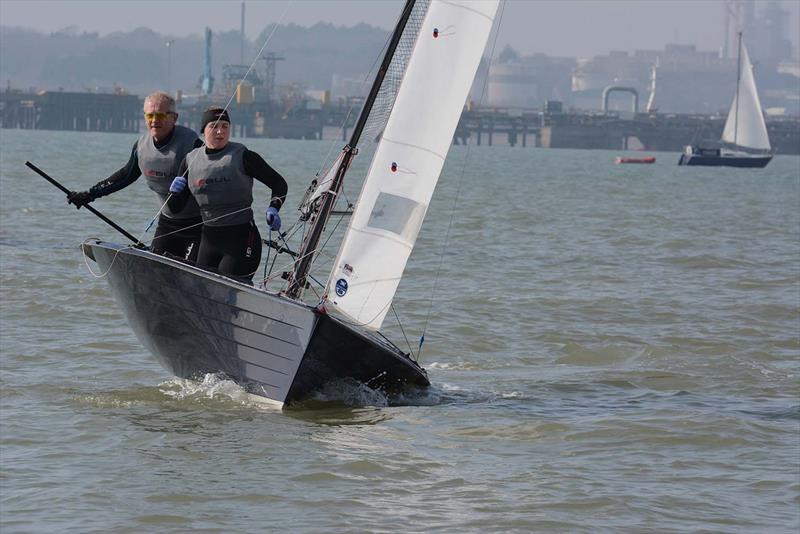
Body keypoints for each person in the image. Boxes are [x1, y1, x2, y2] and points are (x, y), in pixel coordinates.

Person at [67, 91, 204, 261]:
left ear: (174, 118)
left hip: (199, 224)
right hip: (168, 223)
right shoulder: (141, 147)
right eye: (150, 115)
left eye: (160, 114)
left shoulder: (192, 144)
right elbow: (125, 176)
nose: (154, 120)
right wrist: (90, 194)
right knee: (156, 267)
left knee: (189, 269)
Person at [167, 107, 287, 282]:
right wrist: (174, 193)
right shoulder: (190, 161)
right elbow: (175, 208)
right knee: (200, 289)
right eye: (214, 126)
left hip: (242, 240)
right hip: (208, 240)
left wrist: (274, 208)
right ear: (203, 130)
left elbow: (278, 183)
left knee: (224, 289)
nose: (219, 131)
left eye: (225, 126)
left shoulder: (244, 156)